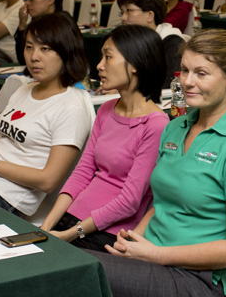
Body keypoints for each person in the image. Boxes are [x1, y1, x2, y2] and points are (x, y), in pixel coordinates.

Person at [85, 28, 226, 297]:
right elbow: (163, 203)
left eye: (201, 73)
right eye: (184, 70)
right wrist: (133, 242)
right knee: (64, 260)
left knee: (74, 270)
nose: (187, 81)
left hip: (197, 280)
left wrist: (156, 255)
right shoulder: (175, 128)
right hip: (152, 260)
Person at [0, 12, 95, 217]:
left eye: (45, 49)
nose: (34, 56)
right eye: (29, 47)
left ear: (66, 51)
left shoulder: (72, 106)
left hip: (2, 195)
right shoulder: (25, 89)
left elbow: (48, 180)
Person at [40, 25, 169, 252]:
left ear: (136, 64)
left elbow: (130, 202)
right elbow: (82, 173)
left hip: (107, 232)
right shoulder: (107, 109)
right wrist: (47, 226)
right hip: (72, 219)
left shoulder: (156, 124)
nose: (99, 65)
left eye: (108, 57)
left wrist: (70, 234)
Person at [116, 0, 185, 88]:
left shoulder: (172, 43)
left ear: (150, 16)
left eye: (129, 10)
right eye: (122, 12)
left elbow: (169, 84)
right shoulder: (132, 42)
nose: (123, 18)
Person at [15, 0, 65, 64]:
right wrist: (22, 26)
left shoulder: (63, 25)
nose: (27, 3)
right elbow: (22, 60)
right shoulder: (36, 22)